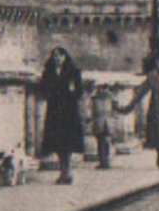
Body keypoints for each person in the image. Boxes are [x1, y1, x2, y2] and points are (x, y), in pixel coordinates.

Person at [117, 50, 159, 170]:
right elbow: (141, 92)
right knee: (157, 134)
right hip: (155, 109)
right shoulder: (152, 76)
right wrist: (128, 108)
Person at [40, 47, 85, 184]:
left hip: (69, 112)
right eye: (55, 56)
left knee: (68, 143)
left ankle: (67, 171)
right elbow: (43, 89)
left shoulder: (73, 72)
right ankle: (62, 172)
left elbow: (79, 91)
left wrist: (72, 92)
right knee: (58, 144)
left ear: (65, 57)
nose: (57, 59)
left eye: (59, 56)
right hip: (54, 111)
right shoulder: (48, 72)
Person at [89, 84, 117, 170]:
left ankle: (104, 161)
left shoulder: (95, 99)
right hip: (106, 122)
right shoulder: (110, 98)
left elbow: (92, 111)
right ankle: (105, 161)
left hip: (101, 122)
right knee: (104, 142)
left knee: (102, 142)